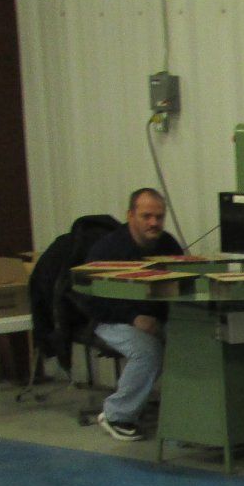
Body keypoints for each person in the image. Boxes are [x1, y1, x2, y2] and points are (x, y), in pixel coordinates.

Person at [80, 187, 183, 442]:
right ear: (130, 215)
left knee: (197, 341)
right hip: (111, 319)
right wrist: (134, 318)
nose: (154, 223)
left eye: (159, 217)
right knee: (148, 352)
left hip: (156, 319)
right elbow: (91, 299)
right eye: (147, 216)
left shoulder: (169, 245)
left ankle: (189, 420)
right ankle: (117, 415)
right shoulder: (106, 250)